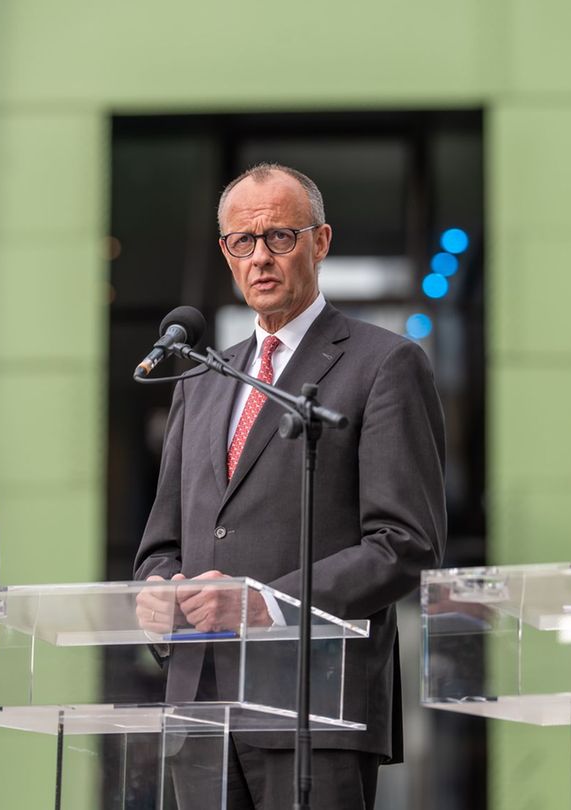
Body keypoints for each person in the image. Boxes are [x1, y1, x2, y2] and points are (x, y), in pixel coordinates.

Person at [133, 163, 447, 809]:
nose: (260, 258)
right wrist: (156, 593)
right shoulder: (202, 378)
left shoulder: (383, 363)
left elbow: (405, 543)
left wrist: (264, 606)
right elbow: (162, 543)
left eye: (280, 237)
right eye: (242, 243)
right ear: (225, 252)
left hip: (314, 704)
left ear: (321, 242)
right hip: (202, 707)